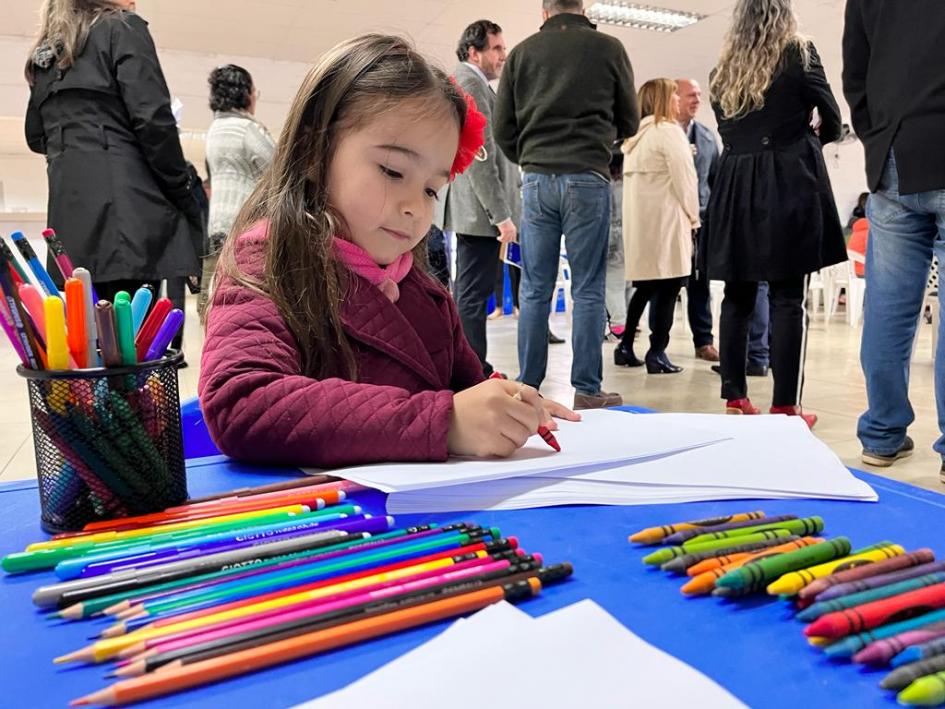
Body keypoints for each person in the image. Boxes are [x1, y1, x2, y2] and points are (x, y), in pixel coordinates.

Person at [199, 35, 578, 468]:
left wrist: (509, 402)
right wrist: (443, 422)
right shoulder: (267, 265)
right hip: (326, 521)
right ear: (314, 150)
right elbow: (241, 400)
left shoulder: (424, 294)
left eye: (433, 189)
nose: (415, 207)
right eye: (392, 171)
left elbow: (468, 385)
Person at [703, 0, 846, 428]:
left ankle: (735, 397)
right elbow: (833, 119)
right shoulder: (798, 54)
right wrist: (805, 141)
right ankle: (785, 406)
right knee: (787, 297)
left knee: (738, 294)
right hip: (787, 182)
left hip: (734, 183)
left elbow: (728, 129)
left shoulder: (721, 71)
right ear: (783, 16)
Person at [495, 0, 639, 410]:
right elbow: (629, 120)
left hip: (537, 180)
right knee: (588, 287)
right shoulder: (610, 48)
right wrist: (597, 142)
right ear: (582, 7)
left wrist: (532, 157)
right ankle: (588, 389)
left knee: (536, 289)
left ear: (546, 12)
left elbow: (503, 126)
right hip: (588, 178)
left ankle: (528, 386)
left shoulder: (521, 54)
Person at [24, 0, 201, 303]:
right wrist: (182, 192)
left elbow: (35, 136)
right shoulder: (122, 28)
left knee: (91, 339)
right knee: (135, 340)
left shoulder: (46, 55)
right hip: (130, 214)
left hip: (70, 222)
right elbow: (153, 121)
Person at [842, 0, 945, 477]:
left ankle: (882, 435)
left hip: (892, 160)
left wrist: (878, 137)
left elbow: (855, 73)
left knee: (888, 307)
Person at [445, 20, 521, 376]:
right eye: (497, 48)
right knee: (472, 296)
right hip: (478, 210)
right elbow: (481, 154)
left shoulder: (471, 81)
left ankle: (474, 364)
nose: (503, 55)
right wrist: (500, 214)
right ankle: (473, 369)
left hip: (475, 209)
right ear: (474, 51)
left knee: (470, 294)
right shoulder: (471, 80)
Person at [614, 79, 700, 374]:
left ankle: (624, 345)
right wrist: (694, 217)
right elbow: (684, 181)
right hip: (668, 223)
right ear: (663, 99)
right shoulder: (669, 132)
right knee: (669, 286)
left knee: (646, 286)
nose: (678, 98)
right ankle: (657, 352)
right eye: (674, 94)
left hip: (642, 226)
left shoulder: (635, 137)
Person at [201, 64, 276, 320]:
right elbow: (279, 170)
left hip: (217, 229)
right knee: (244, 305)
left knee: (213, 302)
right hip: (245, 228)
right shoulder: (247, 129)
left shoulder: (213, 131)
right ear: (246, 94)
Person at [674, 78, 721, 364]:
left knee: (699, 283)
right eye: (691, 95)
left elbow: (715, 181)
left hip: (700, 220)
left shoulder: (705, 136)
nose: (696, 100)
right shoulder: (660, 133)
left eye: (699, 95)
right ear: (675, 98)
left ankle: (703, 341)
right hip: (670, 220)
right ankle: (658, 344)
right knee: (662, 287)